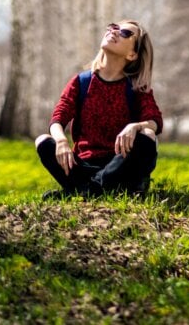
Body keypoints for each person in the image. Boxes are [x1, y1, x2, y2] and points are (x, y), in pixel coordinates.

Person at [35, 20, 163, 198]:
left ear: (133, 54)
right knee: (43, 141)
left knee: (147, 136)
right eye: (113, 27)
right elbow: (58, 118)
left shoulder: (137, 87)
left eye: (125, 33)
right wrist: (62, 141)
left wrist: (135, 126)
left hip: (119, 166)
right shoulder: (81, 82)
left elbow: (155, 122)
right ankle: (93, 190)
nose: (115, 32)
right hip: (82, 166)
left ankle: (81, 191)